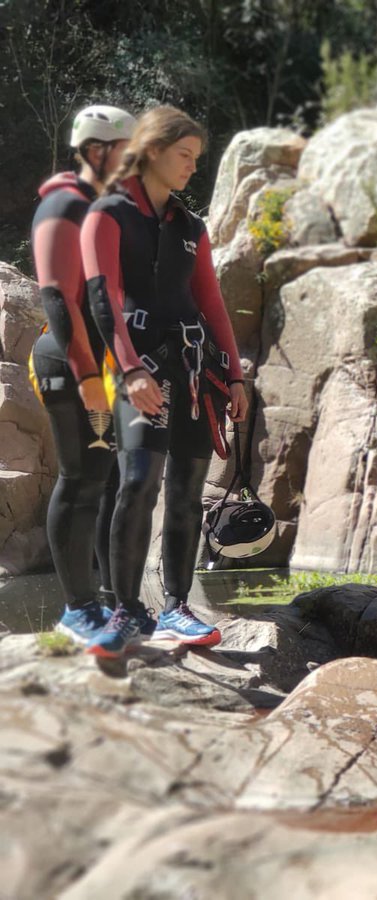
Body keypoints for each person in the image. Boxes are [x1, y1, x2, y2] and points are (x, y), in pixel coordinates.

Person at [80, 106, 247, 658]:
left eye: (197, 159)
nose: (192, 168)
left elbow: (211, 302)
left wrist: (236, 374)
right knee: (138, 482)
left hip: (195, 371)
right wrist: (128, 369)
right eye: (185, 155)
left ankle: (176, 605)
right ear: (152, 150)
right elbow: (103, 298)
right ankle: (121, 606)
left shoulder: (190, 227)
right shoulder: (108, 214)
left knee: (186, 493)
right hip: (139, 369)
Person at [30, 104, 134, 644]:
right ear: (97, 151)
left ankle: (117, 604)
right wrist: (89, 375)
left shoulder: (101, 207)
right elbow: (55, 296)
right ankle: (77, 610)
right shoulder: (64, 204)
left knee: (111, 480)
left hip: (102, 367)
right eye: (125, 151)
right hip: (68, 364)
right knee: (81, 479)